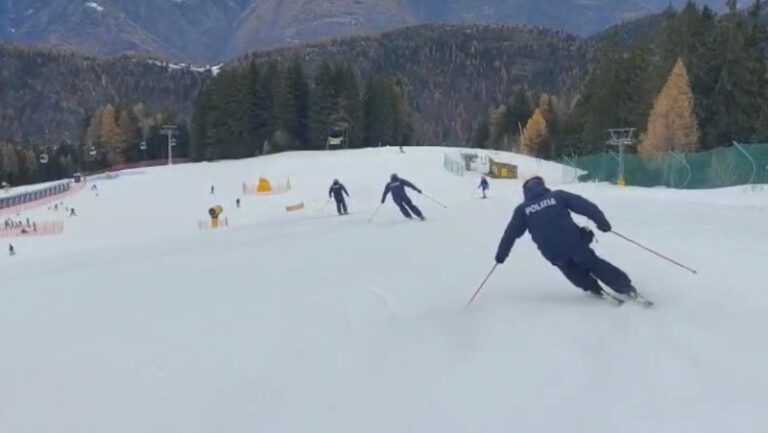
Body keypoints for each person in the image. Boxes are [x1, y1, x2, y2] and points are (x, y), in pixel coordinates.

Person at [494, 176, 639, 300]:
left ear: (525, 192)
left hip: (550, 251)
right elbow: (586, 207)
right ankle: (625, 287)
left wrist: (501, 255)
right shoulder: (558, 196)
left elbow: (510, 234)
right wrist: (602, 223)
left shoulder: (522, 210)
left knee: (569, 269)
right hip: (573, 242)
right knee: (592, 262)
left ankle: (594, 288)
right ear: (542, 186)